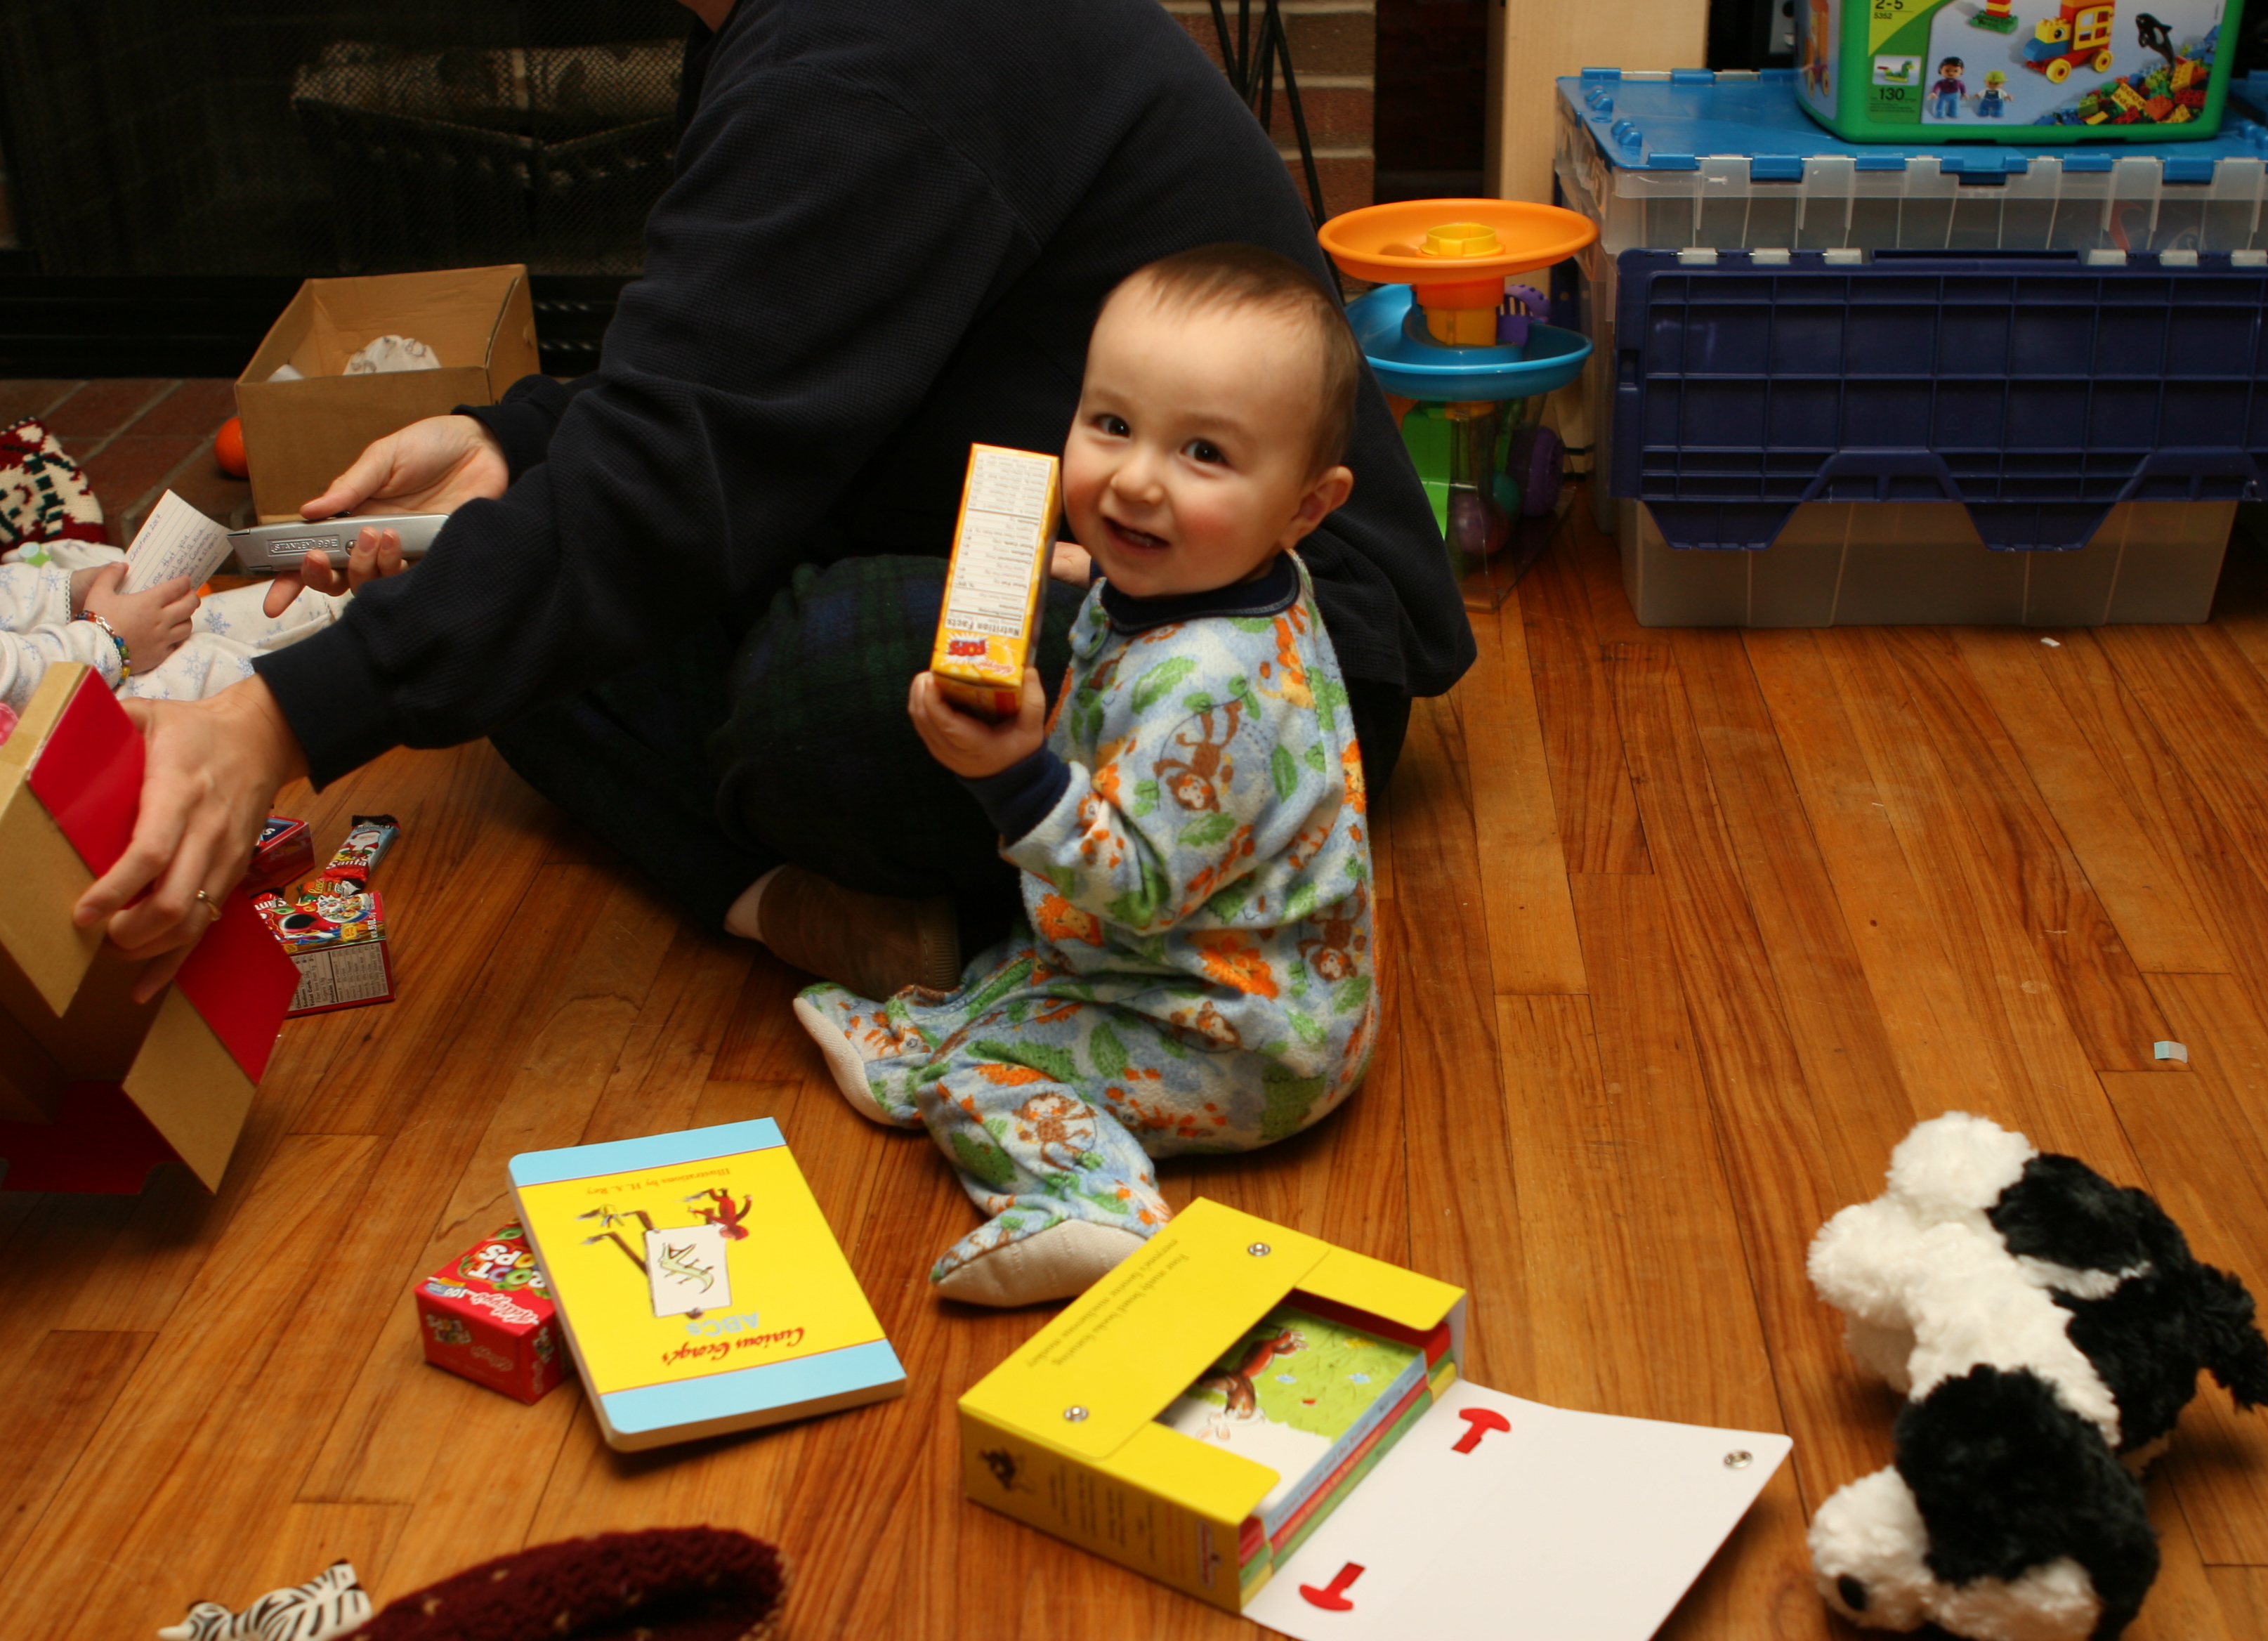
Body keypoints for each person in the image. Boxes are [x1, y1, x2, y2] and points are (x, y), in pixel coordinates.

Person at [75, 0, 1472, 1005]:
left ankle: (859, 850)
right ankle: (778, 902)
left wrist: (267, 721)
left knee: (818, 677)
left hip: (1238, 638)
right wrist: (511, 442)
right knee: (503, 588)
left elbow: (675, 475)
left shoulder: (869, 48)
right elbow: (754, 357)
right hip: (1002, 525)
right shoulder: (789, 38)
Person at [799, 246, 1376, 1306]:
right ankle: (929, 1040)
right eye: (1112, 424)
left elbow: (1137, 887)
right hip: (1208, 975)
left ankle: (1094, 1203)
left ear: (1305, 506)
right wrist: (1090, 564)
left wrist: (1014, 777)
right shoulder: (1227, 571)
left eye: (1203, 452)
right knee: (1014, 961)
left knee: (986, 1079)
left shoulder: (1213, 688)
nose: (1136, 478)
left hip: (1241, 1045)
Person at [0, 417, 351, 714]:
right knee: (198, 665)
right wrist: (107, 641)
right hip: (41, 719)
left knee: (196, 622)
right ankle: (346, 689)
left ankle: (355, 608)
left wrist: (64, 592)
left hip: (64, 651)